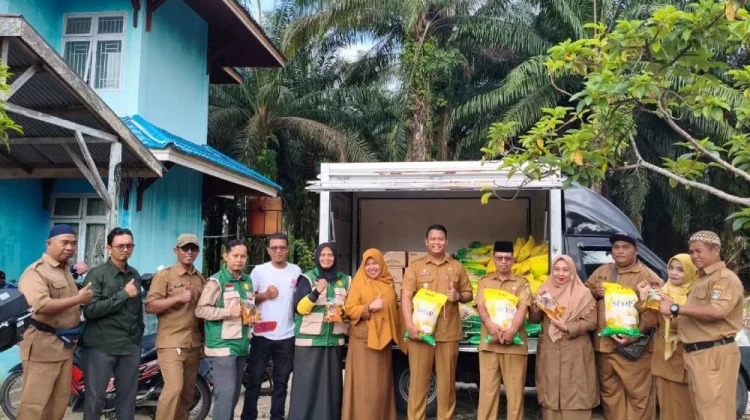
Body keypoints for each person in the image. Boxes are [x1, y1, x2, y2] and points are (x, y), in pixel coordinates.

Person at [658, 231, 744, 420]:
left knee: (715, 413)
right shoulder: (701, 279)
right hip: (698, 354)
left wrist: (675, 307)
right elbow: (693, 318)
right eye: (691, 252)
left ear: (715, 250)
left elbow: (717, 311)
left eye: (699, 251)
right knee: (703, 412)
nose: (694, 256)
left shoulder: (724, 279)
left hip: (713, 353)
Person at [16, 224, 93, 420]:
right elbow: (40, 305)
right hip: (42, 348)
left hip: (64, 348)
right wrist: (78, 299)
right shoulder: (36, 273)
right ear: (49, 243)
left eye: (73, 243)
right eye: (64, 242)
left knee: (58, 403)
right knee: (35, 405)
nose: (70, 247)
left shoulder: (65, 270)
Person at [585, 231, 662, 420]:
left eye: (626, 247)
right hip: (604, 347)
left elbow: (654, 311)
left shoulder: (647, 276)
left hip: (633, 349)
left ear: (636, 251)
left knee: (639, 398)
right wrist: (594, 292)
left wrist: (636, 335)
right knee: (610, 396)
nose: (620, 251)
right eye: (616, 247)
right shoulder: (602, 272)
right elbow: (582, 294)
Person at [401, 224, 473, 420]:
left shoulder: (456, 266)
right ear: (426, 242)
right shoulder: (415, 267)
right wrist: (409, 325)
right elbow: (406, 297)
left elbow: (469, 294)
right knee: (418, 384)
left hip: (448, 334)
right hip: (420, 334)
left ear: (446, 242)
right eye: (433, 239)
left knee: (447, 385)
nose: (436, 242)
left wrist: (458, 296)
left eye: (440, 239)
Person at [81, 227, 144, 420]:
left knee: (127, 399)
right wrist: (123, 295)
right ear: (109, 248)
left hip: (129, 346)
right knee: (96, 398)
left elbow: (137, 310)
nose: (125, 249)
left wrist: (137, 337)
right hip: (102, 346)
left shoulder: (134, 274)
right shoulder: (97, 274)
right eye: (120, 246)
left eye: (129, 245)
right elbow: (90, 311)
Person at [530, 255, 599, 420]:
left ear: (572, 272)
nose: (560, 274)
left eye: (565, 270)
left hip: (575, 351)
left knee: (576, 394)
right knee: (551, 394)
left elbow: (592, 322)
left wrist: (567, 327)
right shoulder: (545, 290)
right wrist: (538, 301)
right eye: (557, 269)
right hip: (550, 351)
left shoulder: (583, 294)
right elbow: (534, 319)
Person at [145, 234, 206, 420]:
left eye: (193, 248)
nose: (189, 252)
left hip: (193, 344)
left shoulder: (200, 279)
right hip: (171, 342)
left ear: (197, 252)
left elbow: (202, 313)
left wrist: (204, 342)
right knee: (174, 389)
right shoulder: (165, 276)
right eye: (185, 248)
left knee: (187, 395)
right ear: (175, 251)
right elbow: (150, 306)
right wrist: (178, 298)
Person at [341, 248, 406, 420]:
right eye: (367, 264)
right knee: (364, 388)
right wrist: (369, 307)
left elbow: (395, 309)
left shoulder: (388, 282)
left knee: (381, 387)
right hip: (363, 343)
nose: (371, 267)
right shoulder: (359, 282)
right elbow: (348, 310)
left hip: (383, 344)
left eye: (375, 263)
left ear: (381, 264)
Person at [241, 233, 301, 420]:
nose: (278, 251)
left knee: (281, 382)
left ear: (287, 249)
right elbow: (248, 300)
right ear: (268, 250)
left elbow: (299, 301)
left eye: (282, 247)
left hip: (287, 334)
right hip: (262, 334)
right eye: (274, 248)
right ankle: (248, 416)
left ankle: (277, 416)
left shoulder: (296, 271)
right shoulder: (259, 271)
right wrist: (265, 295)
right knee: (254, 379)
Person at [289, 243, 351, 420]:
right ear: (317, 257)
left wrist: (343, 314)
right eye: (322, 255)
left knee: (330, 388)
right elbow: (300, 308)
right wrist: (317, 291)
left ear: (335, 257)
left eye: (330, 255)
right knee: (306, 387)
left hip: (333, 341)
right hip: (309, 342)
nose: (326, 258)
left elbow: (351, 308)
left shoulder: (346, 280)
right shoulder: (307, 278)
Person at [195, 240, 253, 420]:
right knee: (226, 395)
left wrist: (252, 315)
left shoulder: (247, 280)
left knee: (234, 394)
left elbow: (248, 306)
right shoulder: (216, 281)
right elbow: (201, 310)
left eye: (243, 256)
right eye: (235, 256)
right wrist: (228, 312)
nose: (239, 260)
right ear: (226, 256)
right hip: (222, 346)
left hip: (241, 345)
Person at [635, 254, 697, 420]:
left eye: (681, 270)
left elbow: (692, 323)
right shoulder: (662, 292)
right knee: (667, 408)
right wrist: (643, 297)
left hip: (689, 358)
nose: (674, 273)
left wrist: (672, 307)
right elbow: (650, 319)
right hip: (664, 358)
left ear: (691, 271)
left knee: (687, 409)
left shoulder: (696, 294)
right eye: (671, 268)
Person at [475, 241, 531, 420]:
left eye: (507, 258)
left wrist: (513, 329)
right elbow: (481, 306)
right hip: (489, 345)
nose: (504, 262)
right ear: (493, 259)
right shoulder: (484, 282)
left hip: (514, 346)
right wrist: (491, 327)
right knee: (487, 394)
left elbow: (523, 307)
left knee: (515, 395)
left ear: (513, 260)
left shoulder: (522, 283)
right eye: (499, 258)